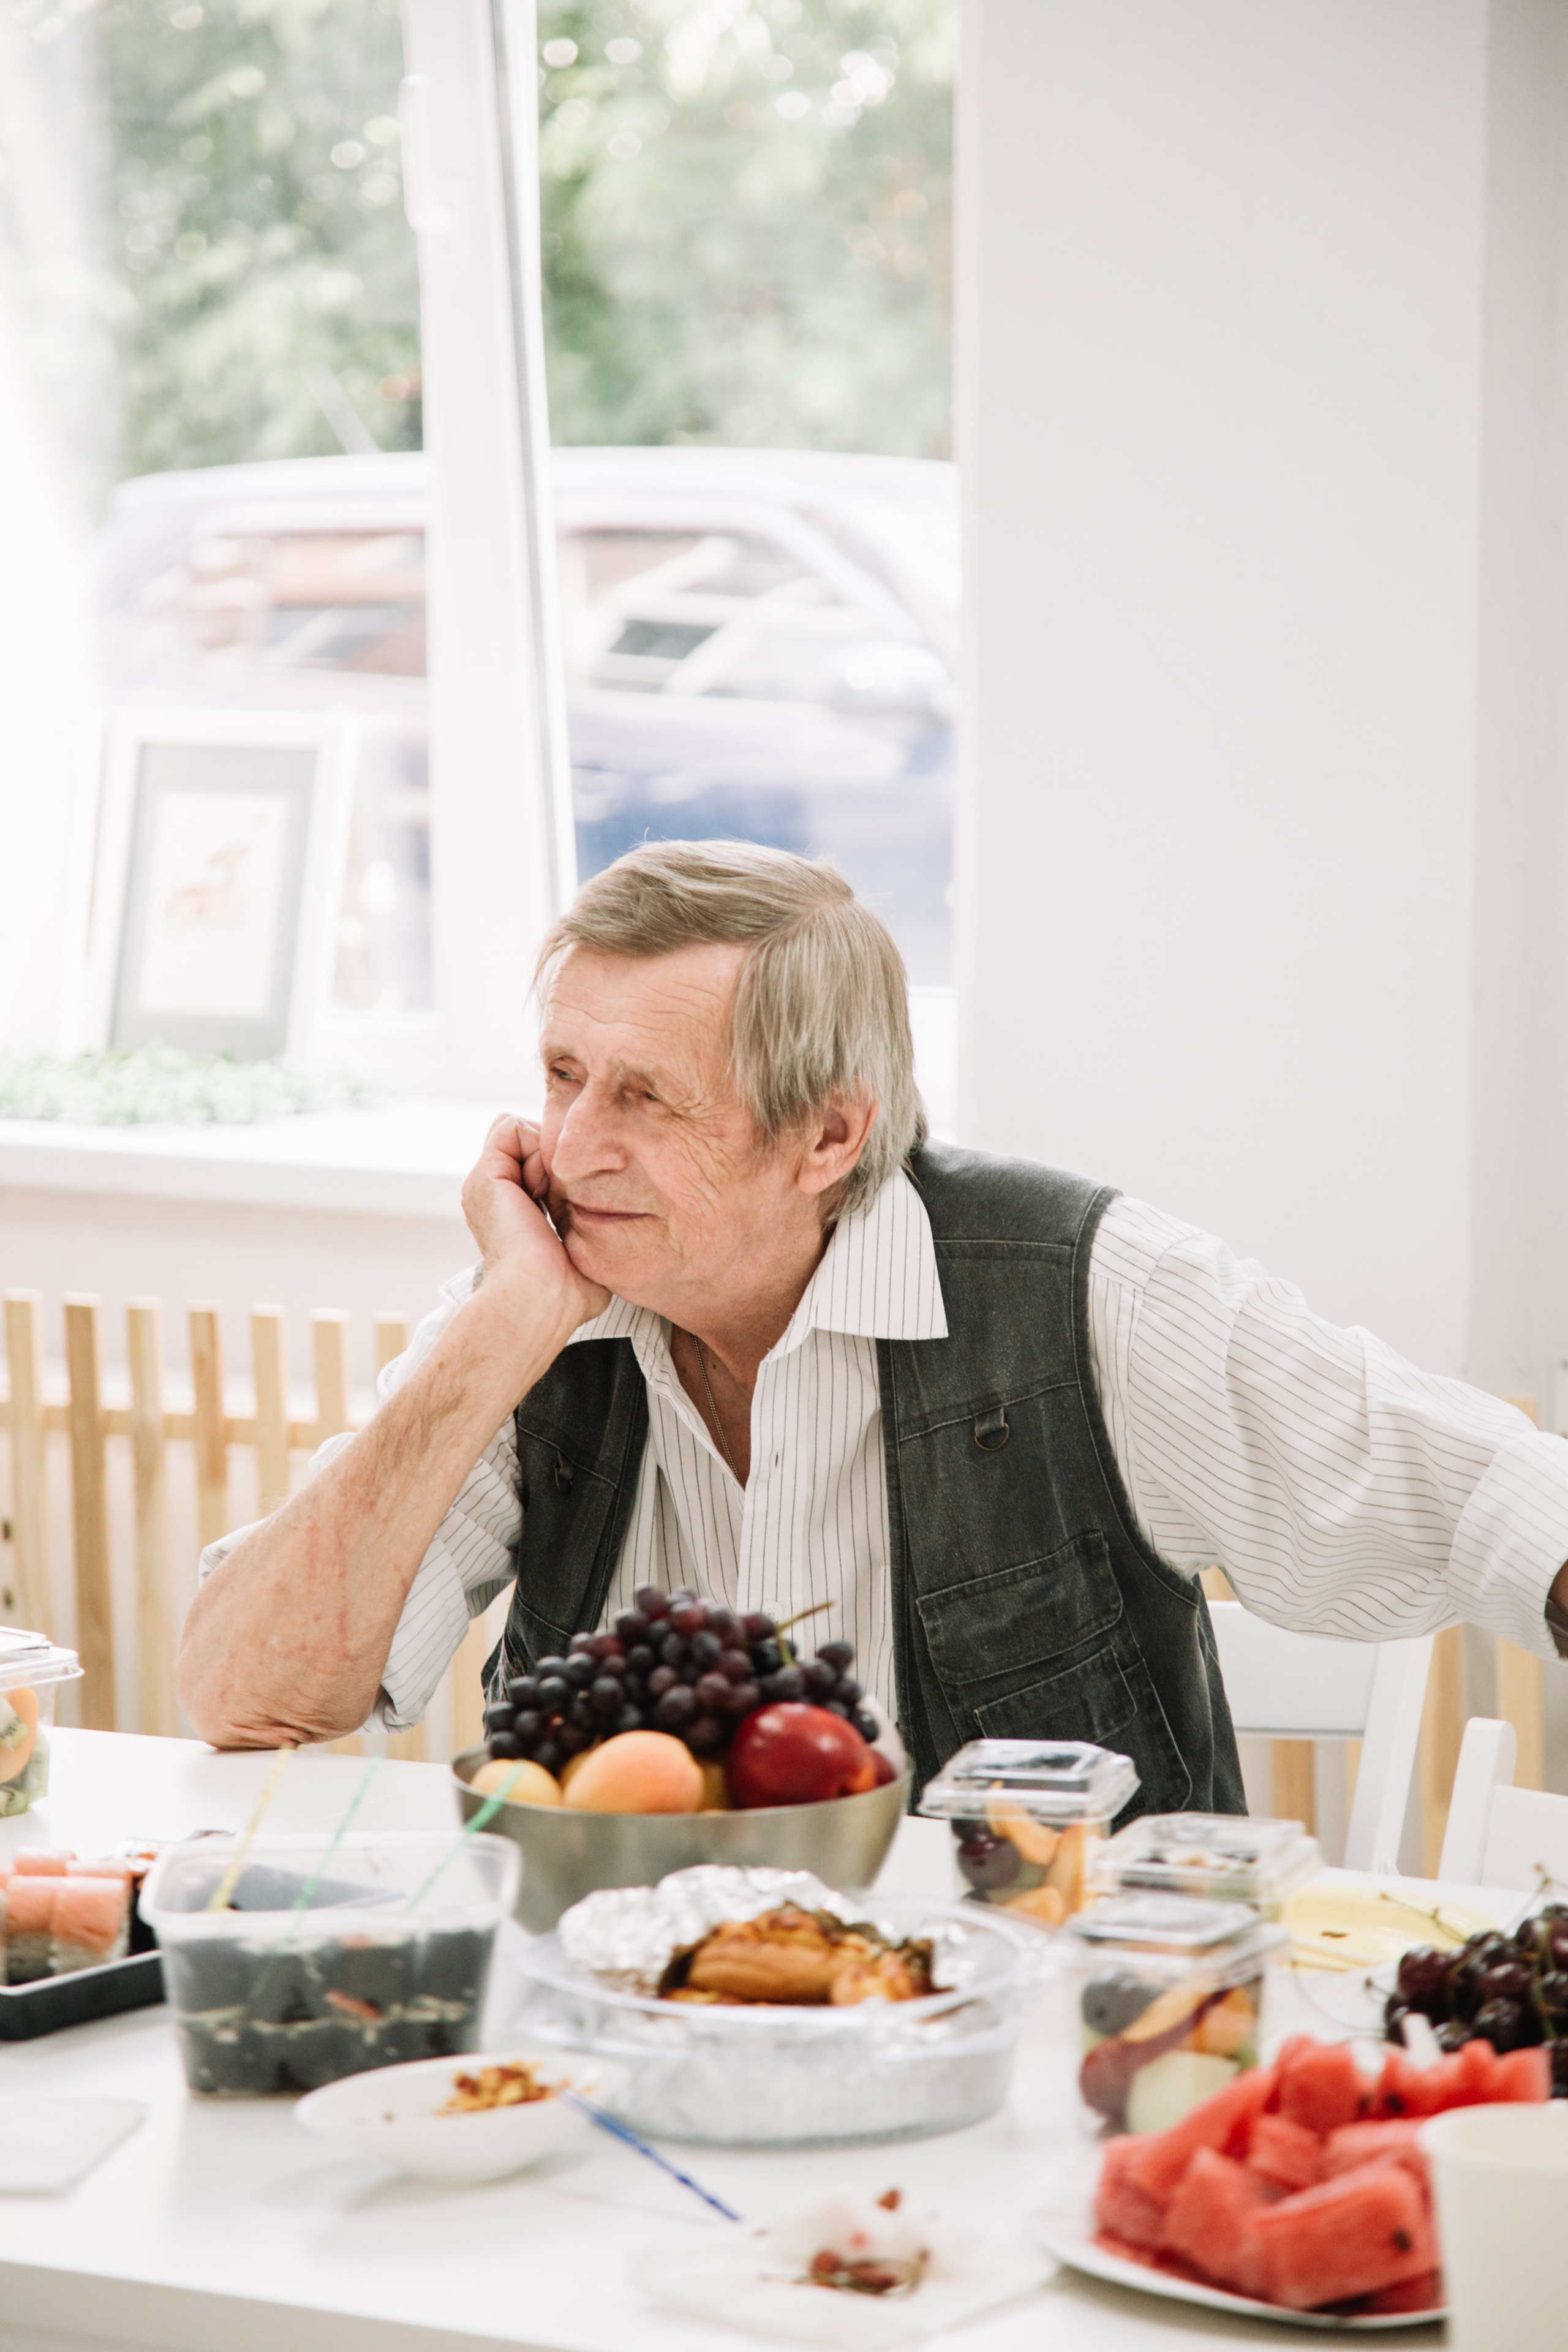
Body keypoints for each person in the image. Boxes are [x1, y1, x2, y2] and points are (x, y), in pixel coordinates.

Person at [178, 843, 1568, 1812]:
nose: (573, 1146)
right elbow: (246, 1696)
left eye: (645, 1098)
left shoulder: (1081, 1293)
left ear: (827, 1133)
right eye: (559, 1076)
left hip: (1027, 2058)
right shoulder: (541, 1312)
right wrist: (500, 1328)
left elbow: (1483, 1494)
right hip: (618, 2034)